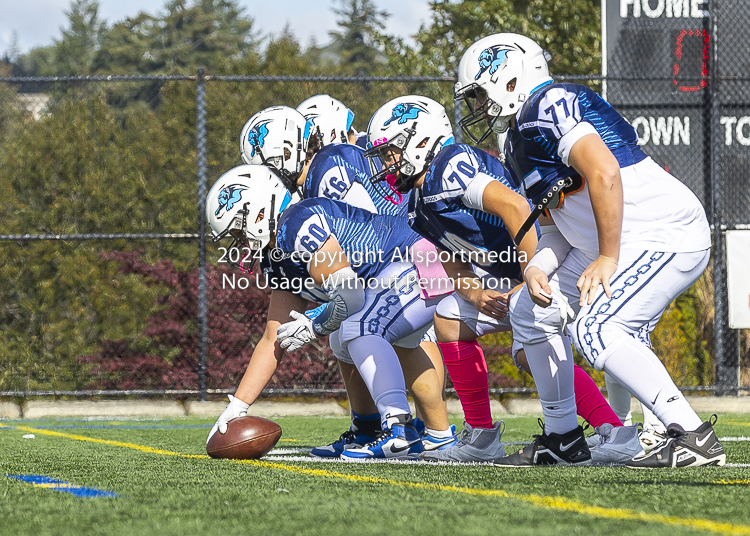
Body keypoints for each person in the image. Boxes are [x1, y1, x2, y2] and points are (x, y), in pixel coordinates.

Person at [455, 33, 725, 467]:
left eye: (480, 95)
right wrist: (538, 267)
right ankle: (564, 440)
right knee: (529, 309)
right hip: (618, 241)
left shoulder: (549, 103)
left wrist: (608, 258)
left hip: (662, 231)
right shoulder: (516, 139)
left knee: (596, 328)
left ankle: (690, 434)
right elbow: (555, 226)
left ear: (510, 80)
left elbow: (604, 171)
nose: (478, 109)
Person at [366, 95, 642, 464]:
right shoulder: (420, 199)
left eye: (391, 153)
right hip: (518, 272)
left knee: (529, 353)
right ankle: (482, 436)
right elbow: (449, 254)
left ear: (419, 139)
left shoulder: (449, 166)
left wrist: (532, 273)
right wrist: (474, 291)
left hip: (553, 261)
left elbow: (516, 207)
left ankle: (614, 431)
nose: (387, 165)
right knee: (450, 316)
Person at [241, 100, 455, 457]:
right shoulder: (311, 183)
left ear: (286, 151)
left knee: (363, 326)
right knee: (353, 333)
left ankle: (413, 427)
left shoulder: (327, 169)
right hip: (407, 256)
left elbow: (364, 230)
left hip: (408, 258)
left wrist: (339, 301)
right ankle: (387, 428)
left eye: (266, 166)